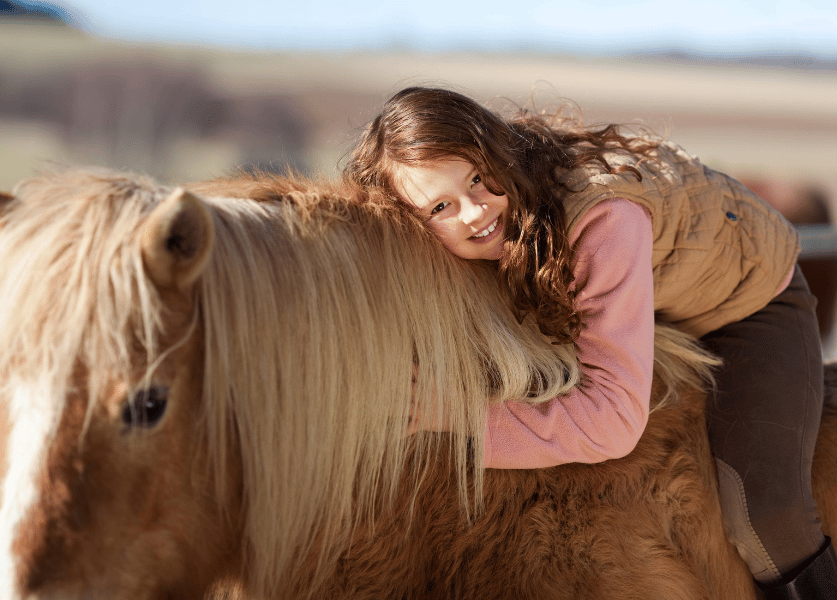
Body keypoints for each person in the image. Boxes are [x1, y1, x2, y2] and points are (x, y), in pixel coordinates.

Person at [344, 86, 837, 598]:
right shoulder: (497, 219)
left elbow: (615, 422)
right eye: (440, 205)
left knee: (764, 508)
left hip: (749, 301)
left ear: (496, 149)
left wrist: (460, 418)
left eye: (477, 177)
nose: (473, 211)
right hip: (660, 296)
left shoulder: (601, 220)